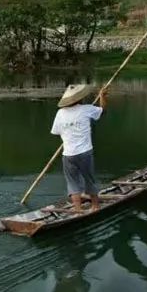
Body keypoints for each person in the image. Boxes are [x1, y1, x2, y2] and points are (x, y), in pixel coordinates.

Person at [50, 84, 105, 213]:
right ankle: (95, 206)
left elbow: (56, 132)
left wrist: (69, 131)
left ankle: (78, 209)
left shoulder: (60, 113)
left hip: (68, 154)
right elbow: (102, 111)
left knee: (72, 183)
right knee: (89, 179)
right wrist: (102, 96)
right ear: (80, 99)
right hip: (85, 153)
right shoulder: (87, 109)